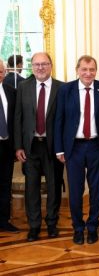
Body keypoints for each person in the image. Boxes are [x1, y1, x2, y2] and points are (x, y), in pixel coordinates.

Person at [54, 55, 99, 245]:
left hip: (97, 146)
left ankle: (93, 227)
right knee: (76, 191)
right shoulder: (65, 90)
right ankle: (78, 228)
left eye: (92, 69)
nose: (88, 73)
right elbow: (58, 120)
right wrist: (59, 149)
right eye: (84, 69)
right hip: (74, 147)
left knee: (96, 190)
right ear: (77, 70)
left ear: (96, 70)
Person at [14, 52, 63, 241]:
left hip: (53, 147)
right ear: (31, 66)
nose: (40, 67)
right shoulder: (24, 87)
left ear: (51, 65)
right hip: (30, 147)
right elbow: (18, 118)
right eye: (36, 64)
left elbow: (65, 119)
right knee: (31, 188)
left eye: (44, 64)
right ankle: (34, 226)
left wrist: (62, 148)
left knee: (53, 187)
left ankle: (52, 223)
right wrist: (18, 146)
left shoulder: (62, 88)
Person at [0, 59, 19, 233]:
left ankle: (4, 221)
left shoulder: (10, 91)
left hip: (6, 146)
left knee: (5, 184)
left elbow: (15, 120)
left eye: (0, 71)